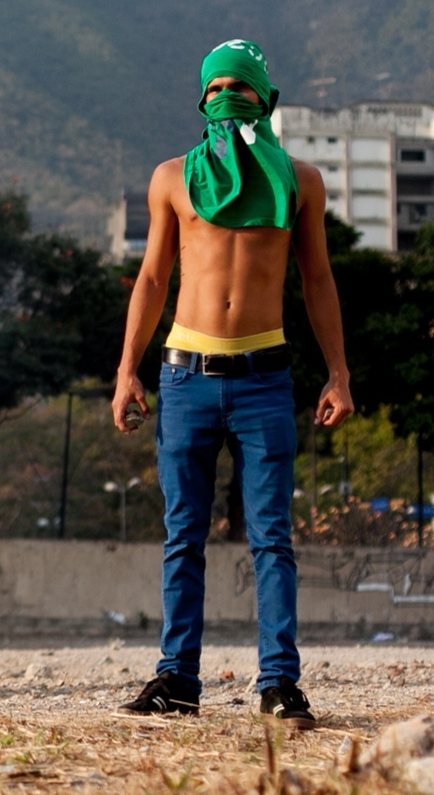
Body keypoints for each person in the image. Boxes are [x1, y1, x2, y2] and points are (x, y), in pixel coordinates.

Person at [111, 39, 354, 729]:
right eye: (214, 86)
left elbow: (317, 280)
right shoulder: (170, 178)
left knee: (271, 537)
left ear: (263, 97)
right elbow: (152, 279)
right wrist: (128, 369)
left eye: (239, 86)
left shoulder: (300, 181)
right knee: (182, 534)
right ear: (199, 97)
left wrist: (338, 372)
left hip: (264, 378)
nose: (226, 96)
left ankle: (278, 681)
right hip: (184, 376)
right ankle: (176, 678)